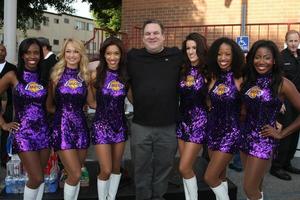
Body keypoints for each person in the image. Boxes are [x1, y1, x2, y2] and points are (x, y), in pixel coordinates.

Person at [127, 19, 183, 200]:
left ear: (163, 36)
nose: (152, 36)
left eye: (156, 33)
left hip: (168, 126)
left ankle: (158, 196)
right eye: (148, 34)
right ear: (142, 38)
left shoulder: (176, 55)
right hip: (141, 125)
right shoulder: (133, 57)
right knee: (140, 167)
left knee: (164, 167)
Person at [240, 40, 300, 200]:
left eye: (267, 58)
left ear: (274, 60)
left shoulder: (282, 83)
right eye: (257, 57)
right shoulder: (249, 80)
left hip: (263, 140)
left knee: (248, 187)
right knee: (256, 186)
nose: (261, 62)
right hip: (245, 137)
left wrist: (281, 133)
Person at [0, 38, 50, 200]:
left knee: (40, 176)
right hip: (23, 134)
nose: (32, 56)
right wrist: (3, 124)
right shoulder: (13, 75)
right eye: (28, 52)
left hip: (44, 132)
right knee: (36, 178)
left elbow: (49, 105)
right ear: (22, 55)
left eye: (36, 52)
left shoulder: (44, 76)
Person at [47, 38, 90, 200]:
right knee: (76, 173)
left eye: (76, 51)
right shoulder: (56, 76)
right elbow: (49, 106)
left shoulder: (85, 77)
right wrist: (61, 117)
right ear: (63, 53)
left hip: (81, 129)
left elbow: (92, 102)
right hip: (62, 128)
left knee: (76, 173)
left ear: (81, 54)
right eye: (68, 51)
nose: (72, 55)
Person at [87, 36, 128, 200]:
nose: (112, 57)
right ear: (103, 55)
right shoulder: (96, 74)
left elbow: (132, 99)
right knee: (106, 169)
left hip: (120, 126)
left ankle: (111, 197)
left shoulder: (125, 75)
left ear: (121, 55)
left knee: (116, 168)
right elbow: (91, 102)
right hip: (101, 126)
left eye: (116, 53)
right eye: (108, 53)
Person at [204, 37, 245, 200]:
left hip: (230, 133)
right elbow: (208, 99)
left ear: (234, 56)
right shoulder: (213, 76)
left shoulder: (240, 78)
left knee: (209, 177)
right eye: (219, 54)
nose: (223, 58)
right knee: (220, 175)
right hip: (213, 131)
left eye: (227, 54)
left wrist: (278, 108)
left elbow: (258, 97)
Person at [176, 33, 209, 200]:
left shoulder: (209, 71)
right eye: (188, 48)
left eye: (194, 48)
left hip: (199, 122)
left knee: (184, 167)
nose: (190, 51)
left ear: (201, 49)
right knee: (186, 167)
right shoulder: (183, 69)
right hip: (182, 121)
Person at [270, 30, 300, 180]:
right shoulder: (281, 57)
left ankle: (287, 163)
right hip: (286, 102)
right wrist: (278, 100)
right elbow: (276, 80)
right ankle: (276, 166)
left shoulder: (299, 55)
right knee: (285, 133)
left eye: (296, 41)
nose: (293, 44)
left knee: (295, 133)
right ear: (286, 41)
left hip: (298, 101)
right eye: (291, 41)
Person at [0, 44, 17, 167]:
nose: (0, 52)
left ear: (5, 53)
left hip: (9, 106)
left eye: (2, 50)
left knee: (7, 133)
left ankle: (4, 158)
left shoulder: (12, 69)